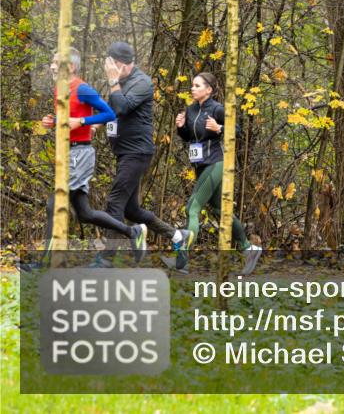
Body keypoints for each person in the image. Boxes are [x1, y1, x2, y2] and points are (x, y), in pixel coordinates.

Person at [18, 49, 147, 272]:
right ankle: (132, 232)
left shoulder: (82, 88)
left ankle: (44, 264)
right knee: (85, 214)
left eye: (57, 62)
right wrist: (56, 121)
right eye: (52, 62)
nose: (51, 66)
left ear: (71, 67)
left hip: (80, 154)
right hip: (69, 153)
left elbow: (109, 113)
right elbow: (70, 120)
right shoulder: (60, 88)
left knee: (53, 205)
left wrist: (83, 121)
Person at [170, 72, 262, 275]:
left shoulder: (217, 108)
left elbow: (237, 130)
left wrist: (220, 127)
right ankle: (249, 249)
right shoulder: (191, 109)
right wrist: (181, 127)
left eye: (197, 85)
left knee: (192, 207)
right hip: (201, 166)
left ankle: (182, 260)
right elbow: (189, 138)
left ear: (208, 90)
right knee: (222, 211)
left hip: (216, 163)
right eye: (192, 85)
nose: (192, 88)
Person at [97, 41, 176, 266]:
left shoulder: (142, 82)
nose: (107, 68)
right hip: (124, 152)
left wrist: (113, 81)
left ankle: (106, 260)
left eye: (110, 64)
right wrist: (95, 125)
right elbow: (111, 109)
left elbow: (122, 107)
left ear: (119, 64)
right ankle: (177, 236)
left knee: (114, 202)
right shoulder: (119, 81)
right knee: (131, 209)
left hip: (137, 152)